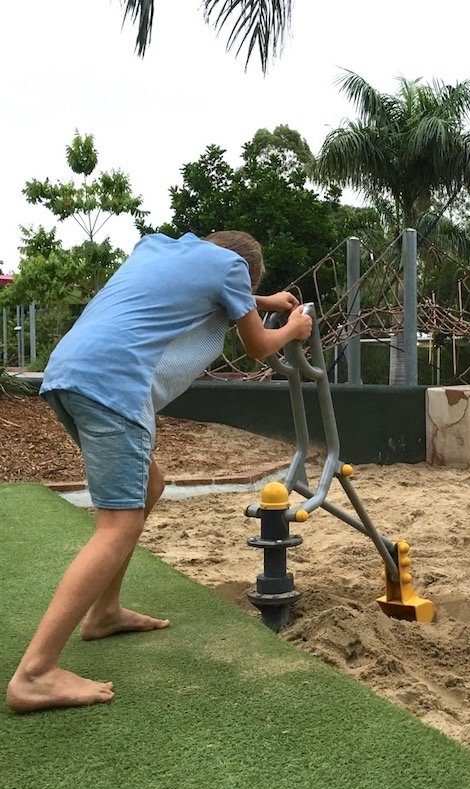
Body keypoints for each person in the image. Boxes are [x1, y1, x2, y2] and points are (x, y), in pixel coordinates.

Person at [5, 230, 312, 713]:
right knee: (117, 525)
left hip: (67, 374)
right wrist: (292, 327)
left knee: (151, 483)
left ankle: (103, 613)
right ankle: (36, 673)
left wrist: (264, 299)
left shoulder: (159, 247)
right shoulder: (230, 271)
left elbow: (203, 288)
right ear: (242, 270)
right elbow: (258, 346)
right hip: (115, 385)